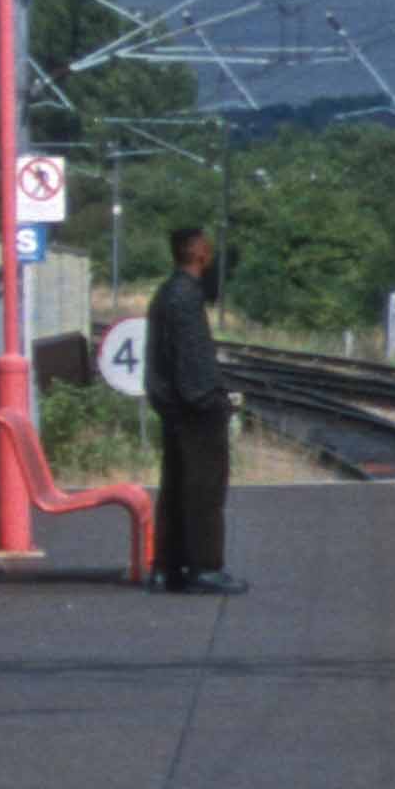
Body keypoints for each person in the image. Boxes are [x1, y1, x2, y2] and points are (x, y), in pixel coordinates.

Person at [146, 227, 240, 594]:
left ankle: (167, 567)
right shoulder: (186, 297)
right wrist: (212, 401)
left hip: (173, 406)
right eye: (207, 248)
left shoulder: (167, 293)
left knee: (175, 488)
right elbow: (192, 361)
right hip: (194, 409)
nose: (211, 252)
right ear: (199, 253)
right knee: (204, 490)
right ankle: (204, 567)